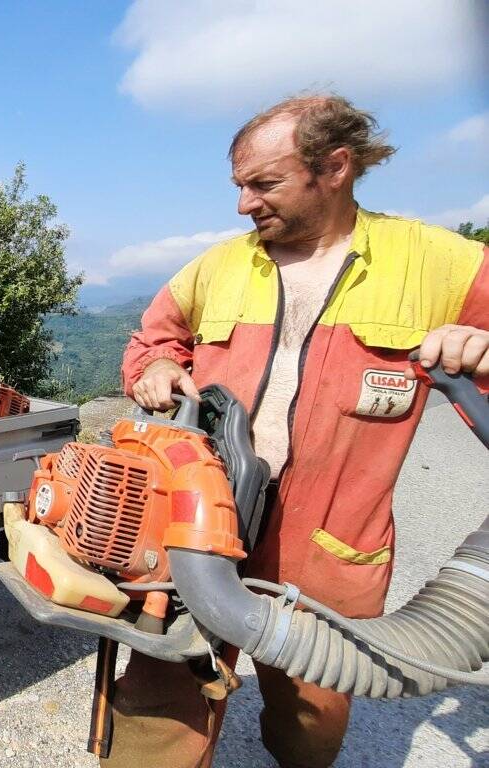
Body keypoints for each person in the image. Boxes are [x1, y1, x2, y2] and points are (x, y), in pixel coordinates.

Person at [111, 94, 488, 768]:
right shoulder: (216, 265)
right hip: (196, 528)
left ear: (334, 166)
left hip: (329, 548)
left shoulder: (443, 265)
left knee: (311, 713)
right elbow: (150, 342)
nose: (242, 204)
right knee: (158, 694)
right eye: (238, 186)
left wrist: (479, 350)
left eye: (263, 183)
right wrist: (157, 366)